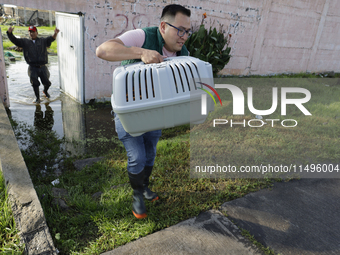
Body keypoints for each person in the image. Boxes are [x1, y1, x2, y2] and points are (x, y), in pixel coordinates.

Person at [96, 4, 192, 219]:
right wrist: (141, 52)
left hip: (155, 111)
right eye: (180, 30)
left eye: (188, 31)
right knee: (137, 157)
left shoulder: (182, 52)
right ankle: (137, 194)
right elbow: (102, 50)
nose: (184, 36)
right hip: (129, 111)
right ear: (163, 26)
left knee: (150, 153)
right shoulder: (142, 36)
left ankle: (145, 187)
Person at [7, 25, 60, 104]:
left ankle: (45, 91)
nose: (31, 33)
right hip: (32, 68)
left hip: (43, 67)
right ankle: (37, 98)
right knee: (35, 84)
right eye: (30, 32)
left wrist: (55, 33)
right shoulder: (25, 42)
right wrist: (9, 33)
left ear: (37, 33)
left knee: (47, 83)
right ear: (29, 33)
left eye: (33, 32)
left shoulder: (43, 41)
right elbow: (15, 40)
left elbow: (51, 39)